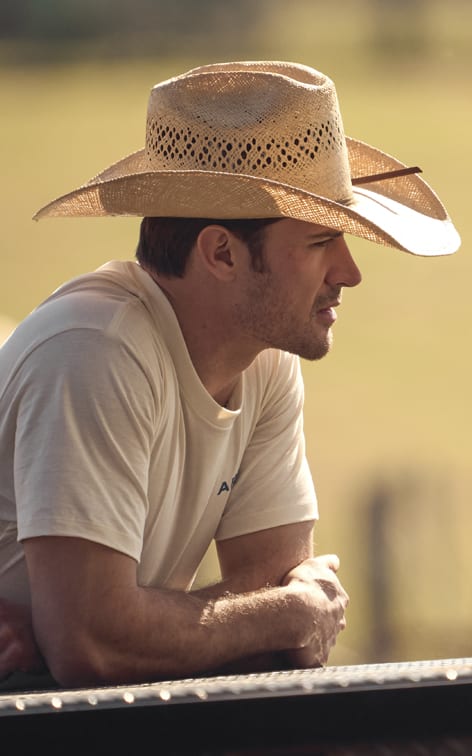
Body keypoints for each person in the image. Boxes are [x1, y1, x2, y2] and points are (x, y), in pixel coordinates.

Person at [0, 61, 460, 689]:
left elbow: (282, 636)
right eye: (323, 241)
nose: (350, 273)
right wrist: (283, 614)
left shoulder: (265, 360)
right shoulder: (94, 350)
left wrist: (253, 619)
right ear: (221, 252)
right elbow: (93, 646)